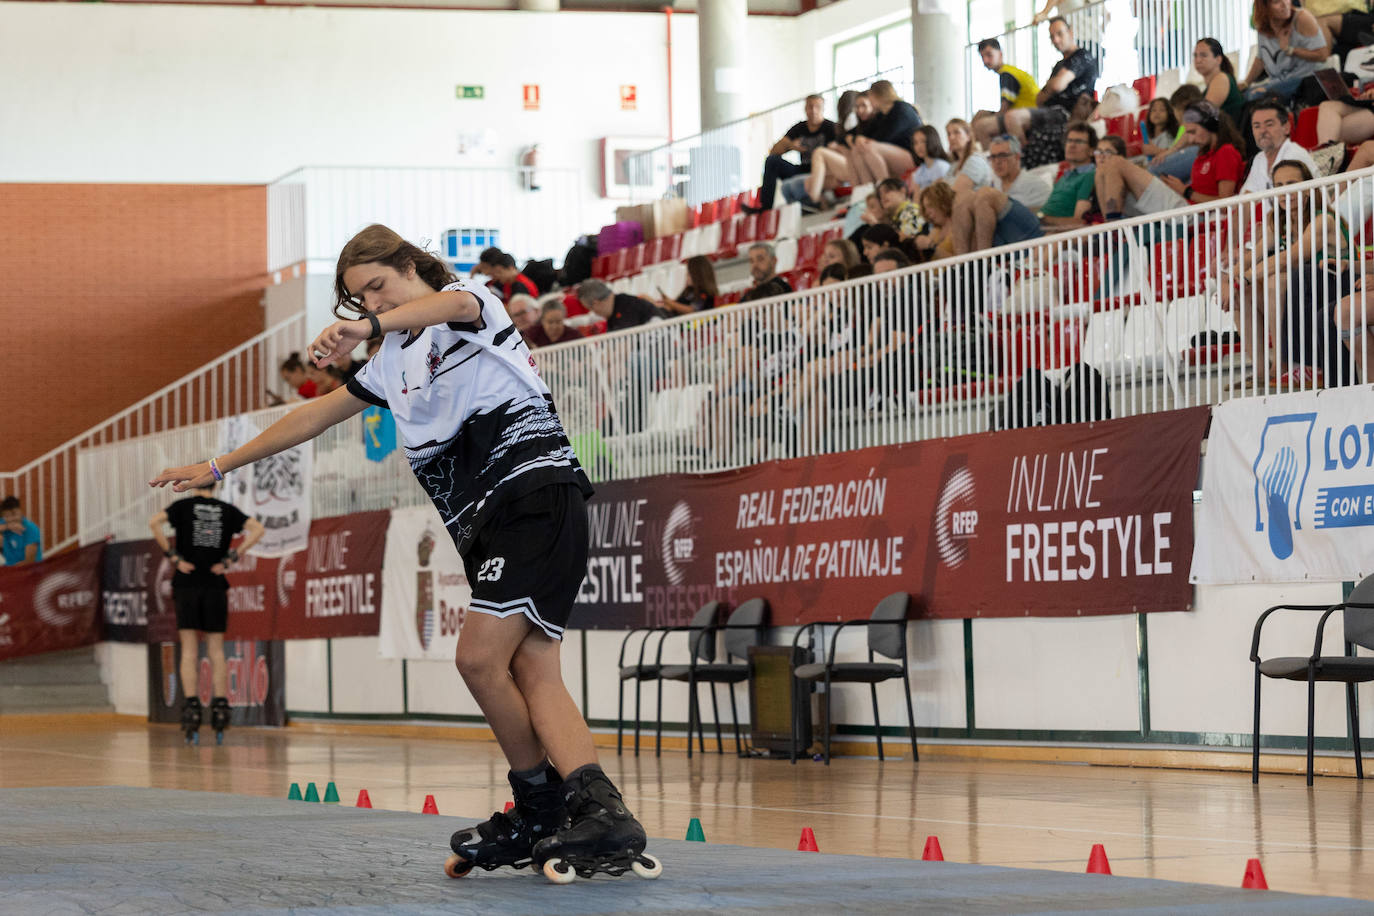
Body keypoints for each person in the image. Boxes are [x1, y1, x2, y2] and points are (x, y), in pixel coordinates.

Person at [148, 223, 656, 881]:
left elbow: (449, 305)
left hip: (534, 492)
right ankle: (576, 807)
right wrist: (216, 466)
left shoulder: (472, 305)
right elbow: (313, 415)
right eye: (361, 300)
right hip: (485, 522)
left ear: (410, 265)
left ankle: (550, 805)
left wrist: (368, 329)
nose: (373, 306)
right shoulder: (392, 362)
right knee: (532, 667)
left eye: (379, 288)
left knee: (477, 658)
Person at [148, 484, 265, 742]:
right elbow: (258, 529)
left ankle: (191, 709)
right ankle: (220, 708)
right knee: (216, 649)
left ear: (195, 484)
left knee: (189, 649)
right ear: (217, 485)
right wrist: (231, 558)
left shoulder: (182, 507)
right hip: (214, 582)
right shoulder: (226, 510)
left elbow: (154, 522)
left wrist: (173, 557)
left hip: (187, 582)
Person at [1234, 160, 1346, 384]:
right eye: (1279, 185)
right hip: (1308, 292)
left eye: (1292, 183)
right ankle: (1261, 372)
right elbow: (1252, 256)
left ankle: (1283, 363)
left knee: (1276, 281)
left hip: (1340, 285)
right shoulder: (1280, 223)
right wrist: (1231, 281)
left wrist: (1243, 278)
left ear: (1306, 187)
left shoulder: (1323, 219)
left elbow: (1291, 256)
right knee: (1243, 293)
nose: (1286, 191)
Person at [1093, 100, 1244, 218]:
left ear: (1210, 125)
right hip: (1184, 205)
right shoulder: (1202, 156)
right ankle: (1110, 226)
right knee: (1102, 169)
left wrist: (1186, 192)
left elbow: (1226, 204)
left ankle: (1111, 230)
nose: (1190, 139)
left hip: (1192, 213)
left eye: (1193, 132)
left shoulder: (1225, 152)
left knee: (1115, 162)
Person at [982, 18, 1098, 170]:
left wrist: (1050, 88)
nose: (1056, 40)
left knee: (1012, 118)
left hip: (1065, 113)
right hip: (1048, 111)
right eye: (1052, 36)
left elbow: (1057, 85)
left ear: (1070, 32)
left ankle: (1019, 166)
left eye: (1059, 34)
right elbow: (1040, 99)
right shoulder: (1059, 65)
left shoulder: (1083, 55)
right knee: (982, 126)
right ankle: (997, 168)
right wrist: (1050, 88)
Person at [745, 94, 836, 213]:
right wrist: (791, 146)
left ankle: (815, 202)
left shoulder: (831, 127)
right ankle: (766, 208)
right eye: (810, 107)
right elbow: (774, 150)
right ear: (805, 109)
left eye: (817, 107)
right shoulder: (799, 128)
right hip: (802, 169)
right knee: (772, 160)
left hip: (822, 171)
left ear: (823, 108)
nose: (813, 110)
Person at [1242, 0, 1330, 102]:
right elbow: (1261, 59)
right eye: (1276, 2)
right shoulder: (1262, 25)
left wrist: (1290, 49)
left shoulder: (1302, 18)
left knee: (1254, 97)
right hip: (1278, 81)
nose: (1285, 4)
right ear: (1264, 7)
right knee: (1243, 96)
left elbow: (1322, 55)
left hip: (1305, 79)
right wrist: (1245, 83)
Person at [844, 79, 923, 186]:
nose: (870, 100)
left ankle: (886, 189)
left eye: (870, 96)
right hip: (893, 153)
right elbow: (863, 134)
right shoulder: (881, 114)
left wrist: (858, 139)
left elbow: (883, 138)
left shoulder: (902, 110)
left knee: (868, 147)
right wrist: (854, 139)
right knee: (856, 150)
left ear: (878, 95)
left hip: (912, 156)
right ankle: (865, 192)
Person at [803, 91, 875, 207]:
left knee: (819, 152)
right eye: (858, 106)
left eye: (863, 106)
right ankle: (821, 204)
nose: (860, 110)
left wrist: (838, 147)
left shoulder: (853, 120)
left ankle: (815, 201)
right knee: (808, 182)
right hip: (850, 165)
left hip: (858, 166)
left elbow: (853, 148)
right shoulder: (852, 123)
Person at [1242, 97, 1318, 195]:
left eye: (1269, 124)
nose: (1262, 131)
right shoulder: (1259, 159)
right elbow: (1246, 198)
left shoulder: (1294, 154)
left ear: (1286, 127)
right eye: (1257, 126)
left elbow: (1290, 204)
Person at [1040, 120, 1098, 229]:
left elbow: (1079, 222)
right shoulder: (1064, 176)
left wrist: (1044, 219)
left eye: (1079, 141)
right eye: (1069, 140)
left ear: (1091, 151)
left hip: (1055, 233)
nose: (1072, 145)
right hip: (1042, 228)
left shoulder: (1089, 175)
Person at [987, 135, 1053, 212]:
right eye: (993, 157)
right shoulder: (994, 183)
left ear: (1017, 157)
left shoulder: (1035, 185)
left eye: (1002, 156)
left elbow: (1047, 214)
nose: (997, 162)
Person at [1194, 38, 1246, 128]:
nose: (1198, 60)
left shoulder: (1222, 79)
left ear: (1218, 59)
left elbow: (1201, 117)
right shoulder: (1211, 85)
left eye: (1203, 55)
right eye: (1195, 55)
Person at [978, 38, 1038, 114]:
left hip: (1029, 117)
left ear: (1000, 54)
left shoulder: (1007, 74)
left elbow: (1004, 109)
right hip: (1030, 114)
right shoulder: (1012, 71)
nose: (985, 60)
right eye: (982, 57)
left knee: (981, 115)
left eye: (989, 55)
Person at [578, 279, 663, 331]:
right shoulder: (612, 313)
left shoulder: (627, 305)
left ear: (596, 303)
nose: (594, 313)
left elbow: (624, 347)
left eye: (591, 308)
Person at [946, 118, 994, 193]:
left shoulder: (975, 161)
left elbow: (955, 194)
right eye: (948, 134)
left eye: (956, 132)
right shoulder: (954, 165)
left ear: (968, 136)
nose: (951, 137)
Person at [908, 125, 953, 192]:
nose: (919, 146)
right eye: (916, 143)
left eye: (923, 141)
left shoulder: (941, 166)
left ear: (932, 141)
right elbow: (916, 199)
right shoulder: (920, 171)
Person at [1, 496, 41, 567]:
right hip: (9, 567)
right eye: (7, 516)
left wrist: (7, 572)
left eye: (14, 514)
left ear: (20, 511)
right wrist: (7, 527)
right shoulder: (4, 523)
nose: (11, 519)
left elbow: (29, 562)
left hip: (30, 571)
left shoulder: (31, 529)